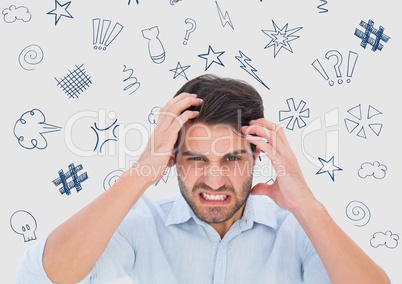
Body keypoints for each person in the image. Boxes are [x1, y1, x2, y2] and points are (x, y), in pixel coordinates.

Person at [16, 74, 390, 284]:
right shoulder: (142, 225)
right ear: (173, 158)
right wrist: (141, 170)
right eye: (196, 158)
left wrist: (306, 203)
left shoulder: (296, 231)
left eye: (232, 158)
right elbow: (43, 277)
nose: (214, 180)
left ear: (258, 156)